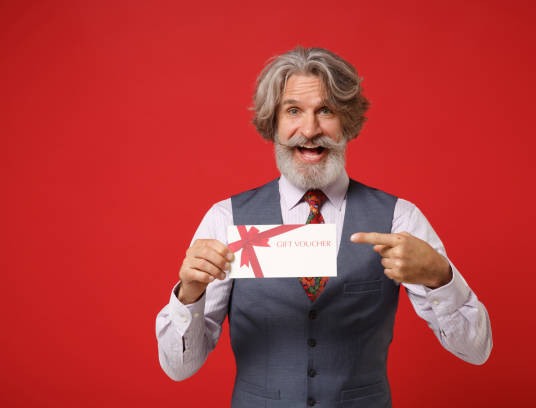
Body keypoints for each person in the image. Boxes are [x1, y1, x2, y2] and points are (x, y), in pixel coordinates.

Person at [156, 46, 492, 407]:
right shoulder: (225, 219)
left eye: (326, 111)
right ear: (273, 123)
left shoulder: (400, 219)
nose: (310, 130)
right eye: (293, 111)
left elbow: (476, 351)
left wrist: (441, 277)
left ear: (346, 122)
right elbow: (179, 368)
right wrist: (189, 294)